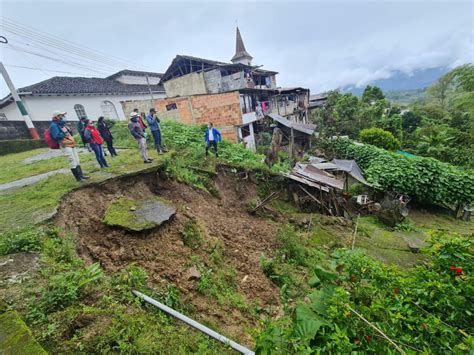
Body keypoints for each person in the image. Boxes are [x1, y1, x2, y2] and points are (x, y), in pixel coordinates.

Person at [49, 110, 89, 181]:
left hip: (71, 143)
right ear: (57, 117)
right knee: (72, 161)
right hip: (65, 145)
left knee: (77, 160)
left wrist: (68, 130)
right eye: (61, 115)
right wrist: (64, 132)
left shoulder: (61, 124)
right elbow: (56, 137)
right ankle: (78, 178)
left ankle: (81, 175)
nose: (63, 117)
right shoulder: (54, 126)